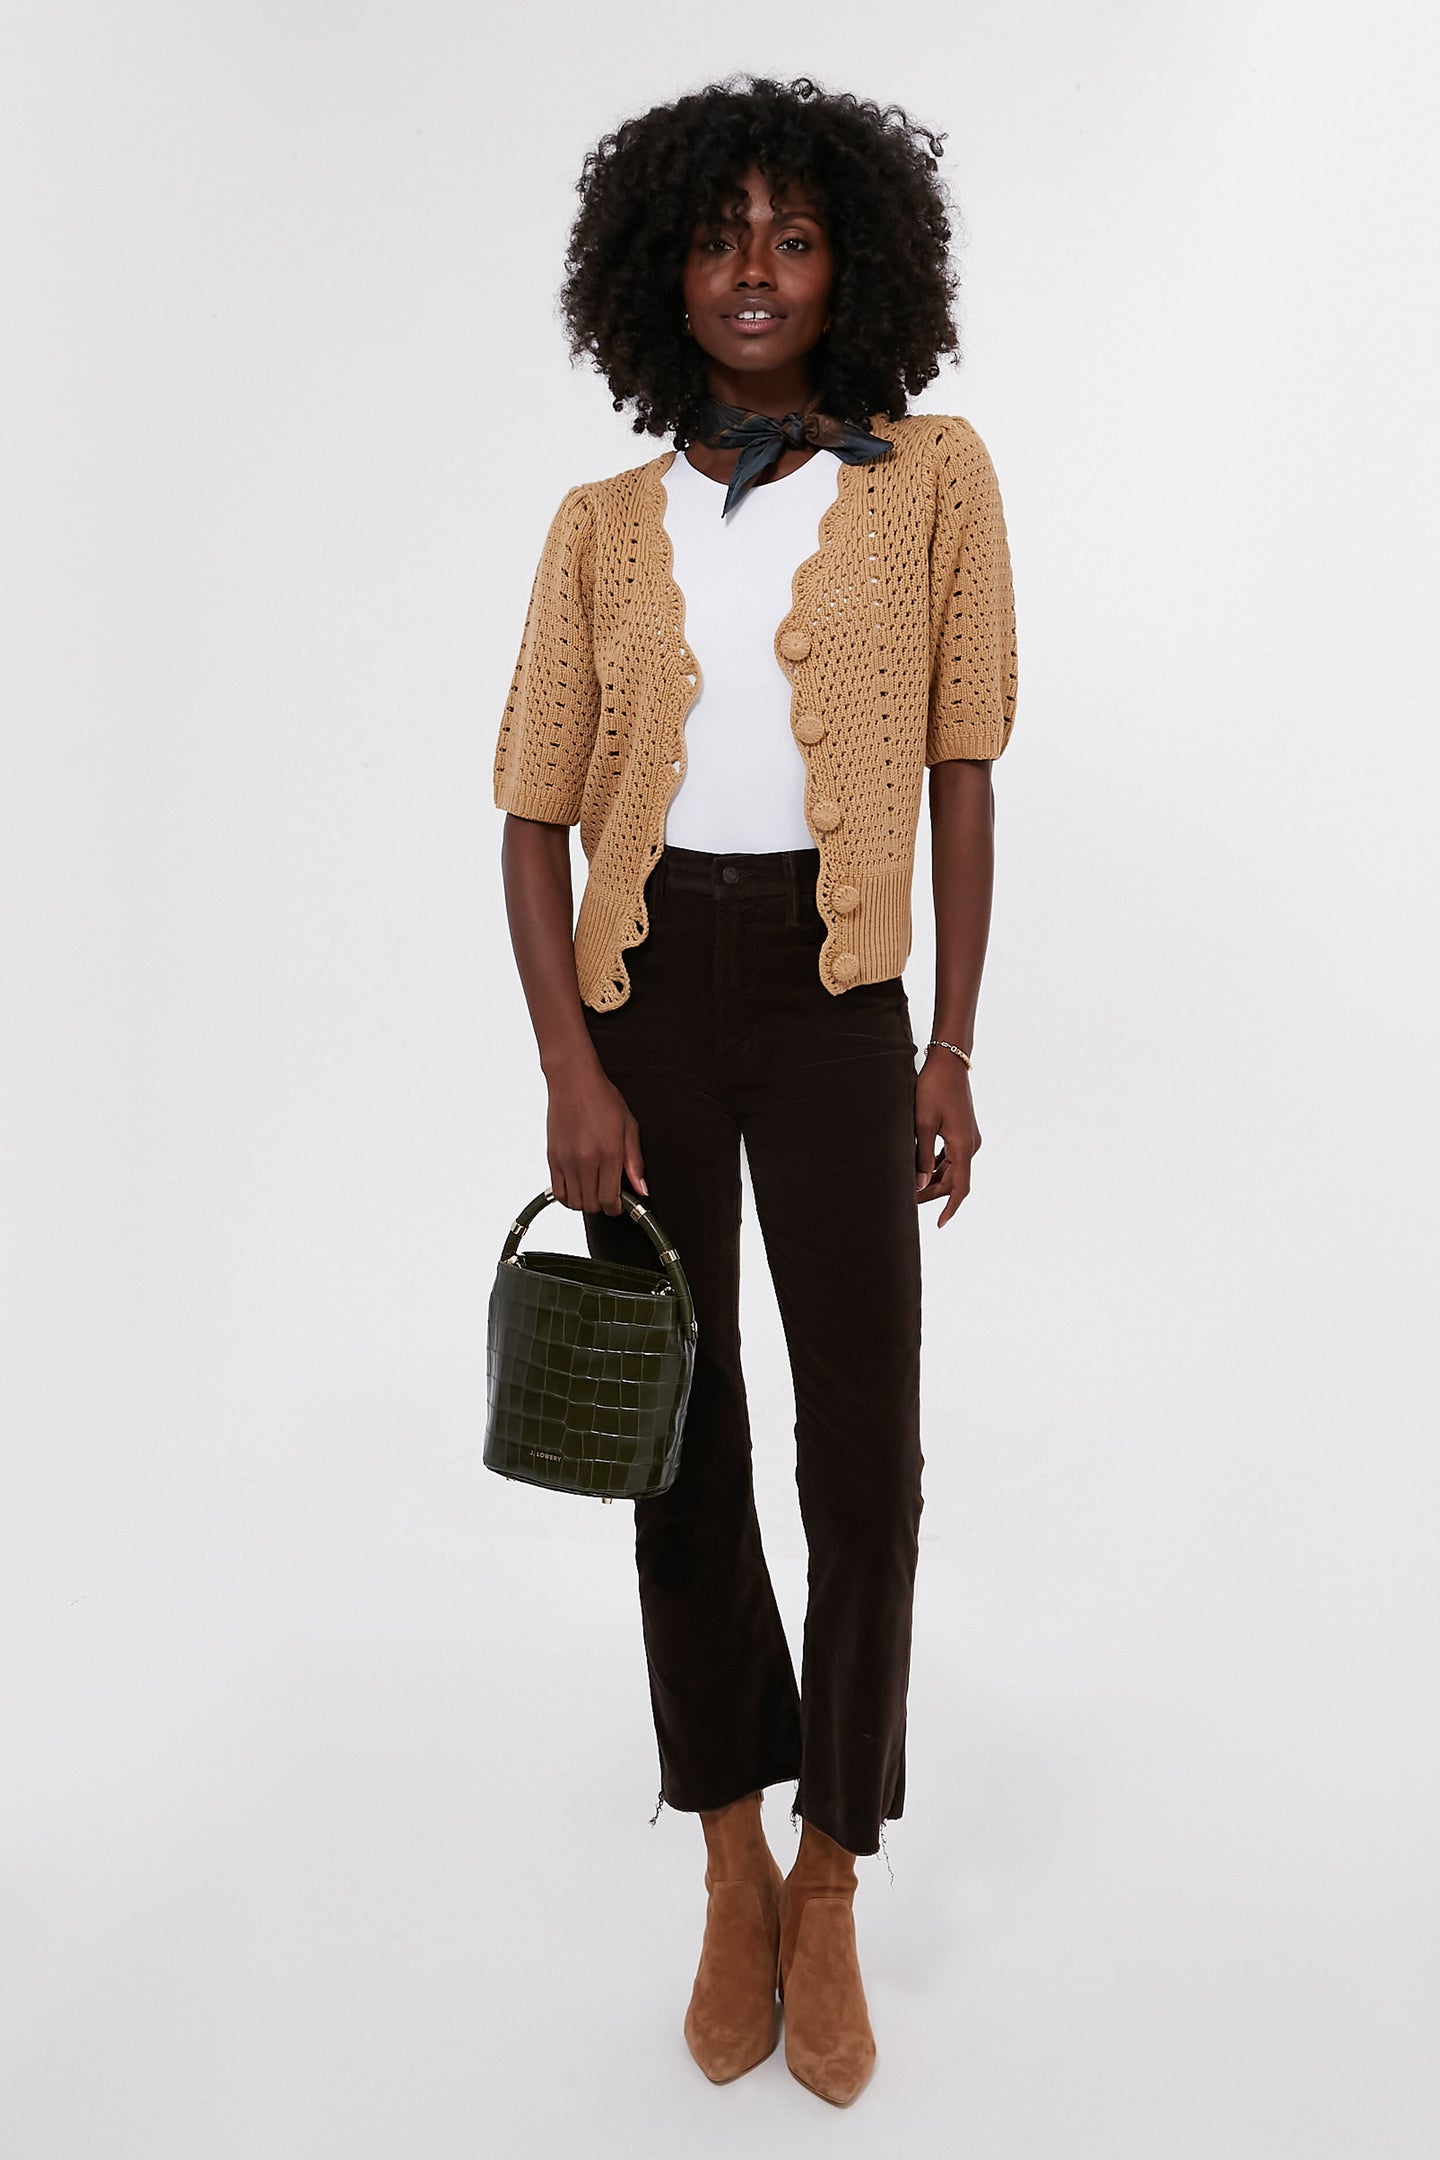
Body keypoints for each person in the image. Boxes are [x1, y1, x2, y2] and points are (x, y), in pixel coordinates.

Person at [493, 74, 1016, 2107]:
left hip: (835, 991)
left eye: (796, 239)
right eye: (721, 239)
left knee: (864, 1447)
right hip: (644, 994)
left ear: (852, 266)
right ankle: (725, 1843)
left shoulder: (933, 479)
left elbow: (961, 769)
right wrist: (570, 1065)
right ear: (662, 270)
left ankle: (832, 1866)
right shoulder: (594, 530)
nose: (756, 274)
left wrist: (951, 1040)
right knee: (678, 1440)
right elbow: (533, 817)